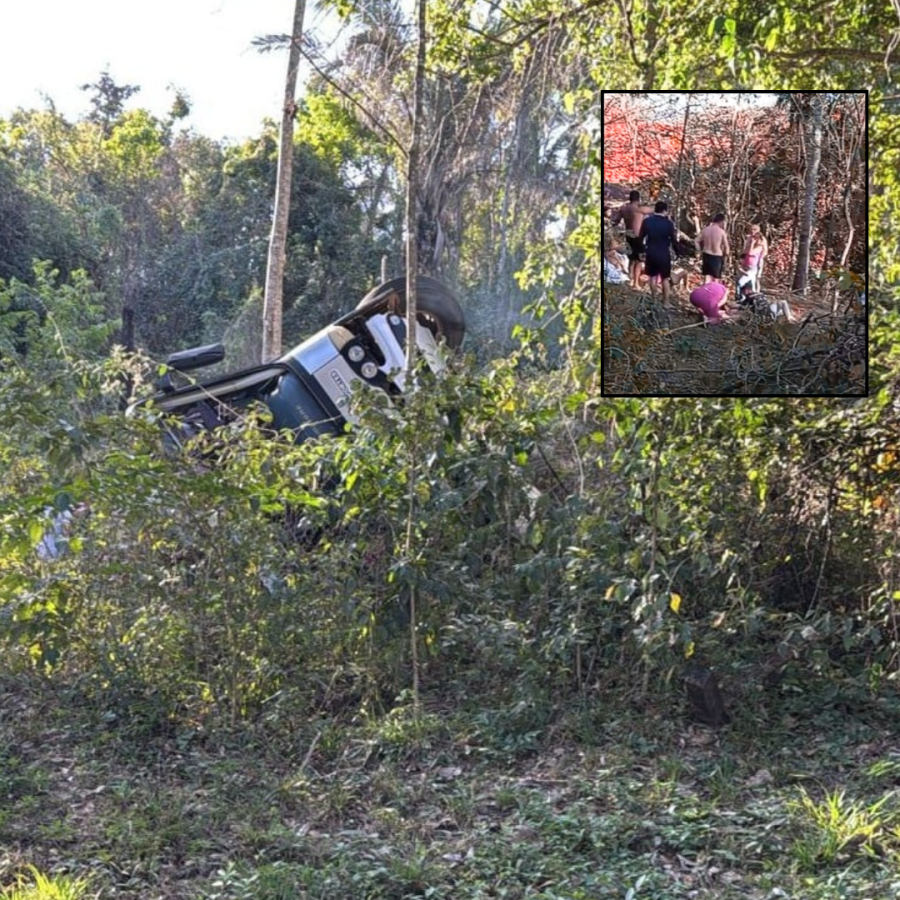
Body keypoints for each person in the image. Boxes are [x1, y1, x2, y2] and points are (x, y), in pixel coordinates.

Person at [611, 190, 654, 289]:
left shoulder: (624, 209)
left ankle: (631, 280)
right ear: (638, 199)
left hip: (628, 236)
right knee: (639, 260)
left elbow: (615, 221)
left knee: (631, 258)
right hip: (638, 237)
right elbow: (654, 210)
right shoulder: (639, 209)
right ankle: (636, 284)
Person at [638, 200, 679, 302]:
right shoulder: (669, 223)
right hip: (664, 253)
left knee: (652, 277)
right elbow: (673, 240)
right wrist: (678, 252)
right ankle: (666, 302)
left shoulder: (647, 221)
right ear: (665, 211)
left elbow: (640, 237)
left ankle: (654, 299)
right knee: (665, 278)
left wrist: (641, 251)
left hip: (651, 252)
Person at [697, 213, 729, 284]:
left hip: (706, 254)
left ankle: (705, 293)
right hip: (717, 256)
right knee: (715, 279)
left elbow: (696, 241)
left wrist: (699, 251)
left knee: (707, 278)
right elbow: (727, 248)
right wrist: (726, 255)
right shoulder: (722, 232)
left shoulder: (706, 230)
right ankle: (714, 294)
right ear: (722, 222)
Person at [741, 224, 767, 291]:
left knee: (756, 278)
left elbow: (765, 251)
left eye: (755, 229)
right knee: (745, 276)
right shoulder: (749, 238)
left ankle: (757, 292)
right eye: (751, 229)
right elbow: (745, 249)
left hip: (757, 260)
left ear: (758, 230)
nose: (753, 231)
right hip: (747, 260)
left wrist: (759, 259)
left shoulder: (762, 239)